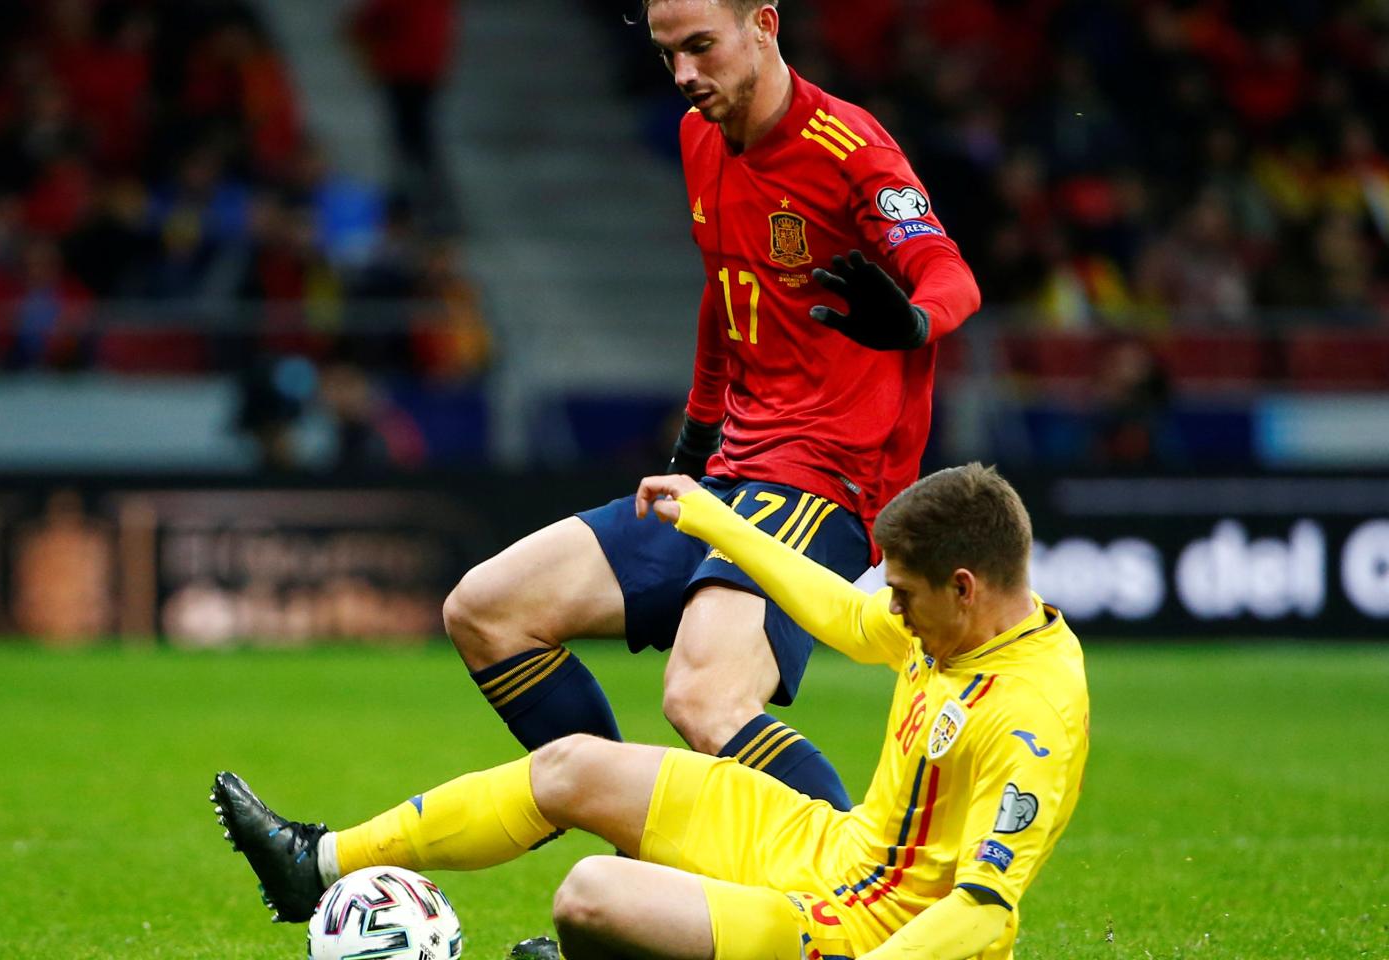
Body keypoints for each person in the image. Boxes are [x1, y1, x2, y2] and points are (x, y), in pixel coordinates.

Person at [440, 0, 981, 812]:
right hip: (731, 472)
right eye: (668, 56)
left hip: (823, 479)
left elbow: (950, 274)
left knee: (704, 699)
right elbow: (727, 290)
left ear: (763, 24)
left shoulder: (849, 148)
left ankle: (855, 906)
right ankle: (633, 839)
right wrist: (695, 441)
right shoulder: (701, 137)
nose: (686, 75)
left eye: (701, 47)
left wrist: (909, 320)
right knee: (485, 611)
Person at [213, 463, 1089, 960]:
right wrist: (718, 524)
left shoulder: (1030, 715)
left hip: (873, 925)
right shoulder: (947, 632)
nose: (890, 609)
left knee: (590, 897)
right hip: (835, 850)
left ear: (965, 588)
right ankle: (313, 865)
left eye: (903, 593)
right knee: (571, 767)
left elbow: (985, 910)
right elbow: (840, 613)